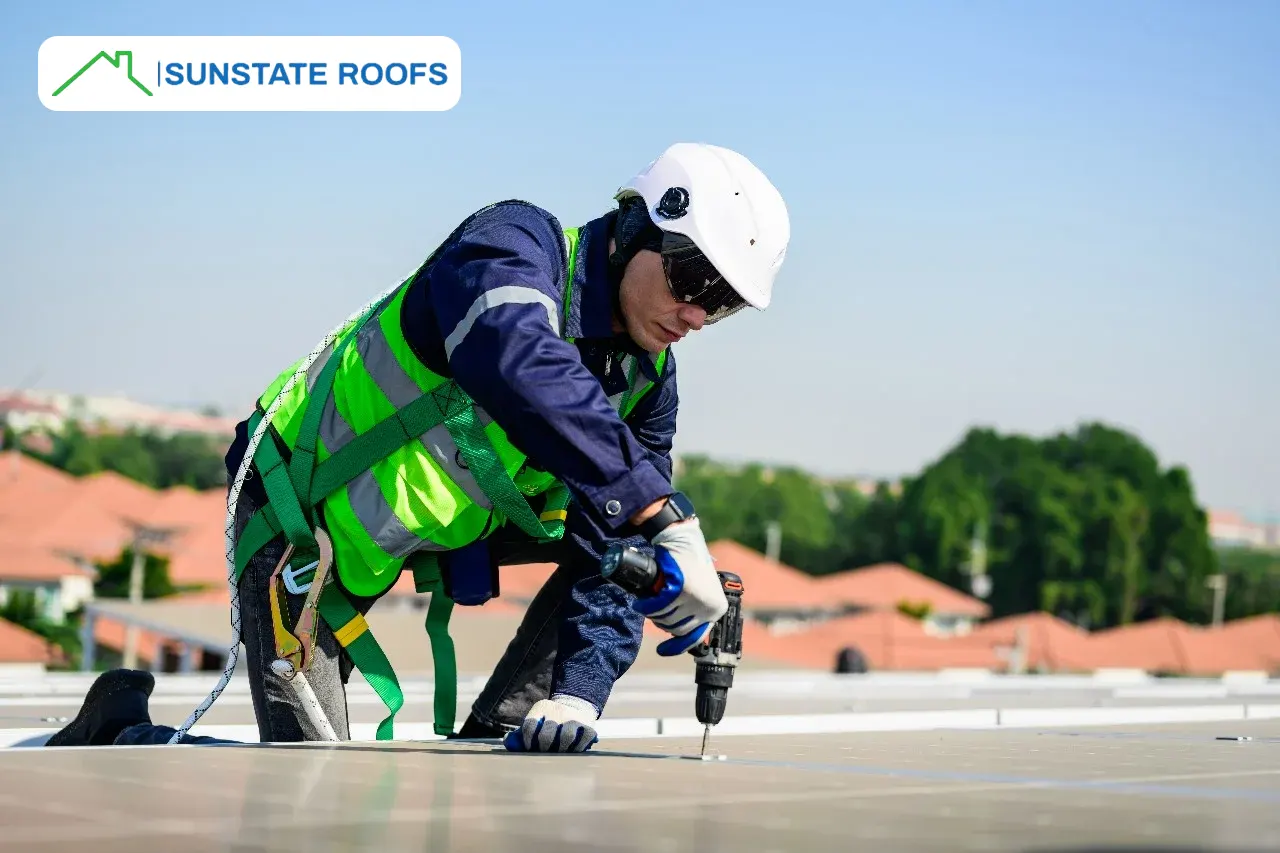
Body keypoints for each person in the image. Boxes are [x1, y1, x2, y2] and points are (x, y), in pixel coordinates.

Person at [45, 142, 790, 754]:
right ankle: (120, 730)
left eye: (721, 302)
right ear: (635, 228)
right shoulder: (512, 245)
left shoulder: (647, 382)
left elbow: (617, 524)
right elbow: (515, 355)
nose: (697, 313)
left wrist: (581, 689)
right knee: (306, 786)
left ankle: (514, 725)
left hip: (430, 532)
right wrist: (663, 512)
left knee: (628, 542)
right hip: (301, 520)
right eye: (693, 277)